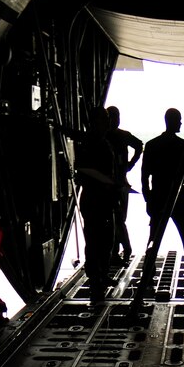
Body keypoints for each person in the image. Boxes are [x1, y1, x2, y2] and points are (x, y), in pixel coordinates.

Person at [141, 108, 184, 285]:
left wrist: (148, 197)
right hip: (178, 198)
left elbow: (145, 176)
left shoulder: (152, 145)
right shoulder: (182, 146)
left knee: (154, 239)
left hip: (159, 196)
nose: (181, 123)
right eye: (179, 120)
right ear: (173, 121)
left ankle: (148, 274)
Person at [74, 106, 117, 303]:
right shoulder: (94, 144)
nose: (108, 122)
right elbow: (83, 171)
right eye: (105, 119)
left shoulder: (96, 142)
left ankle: (100, 275)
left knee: (103, 239)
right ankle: (95, 280)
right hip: (96, 199)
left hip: (99, 198)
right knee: (96, 240)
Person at [106, 106, 142, 263]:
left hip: (110, 184)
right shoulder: (123, 136)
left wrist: (130, 165)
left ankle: (118, 250)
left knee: (114, 219)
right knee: (119, 218)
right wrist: (130, 164)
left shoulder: (105, 137)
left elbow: (139, 146)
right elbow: (139, 146)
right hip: (121, 183)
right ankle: (121, 250)